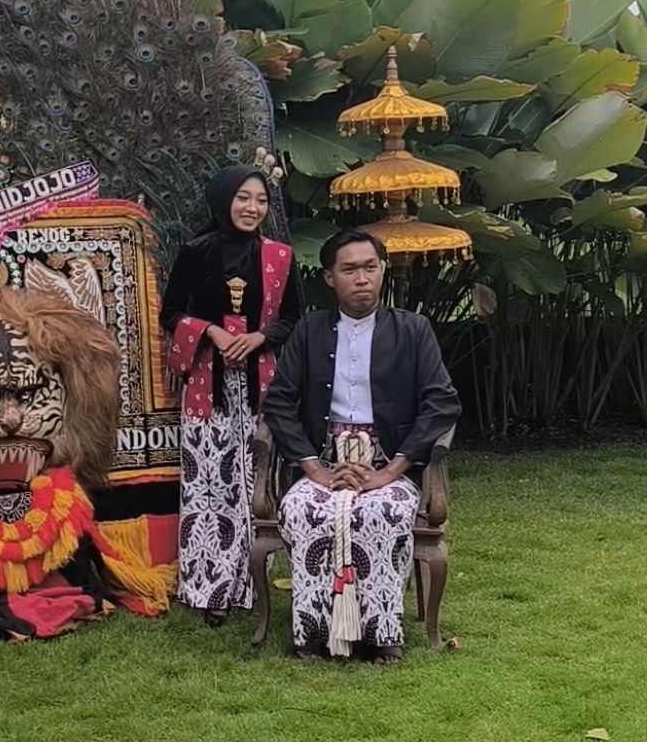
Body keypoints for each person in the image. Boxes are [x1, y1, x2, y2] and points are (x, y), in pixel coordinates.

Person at [261, 227, 460, 664]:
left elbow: (442, 402)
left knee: (382, 511)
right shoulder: (311, 330)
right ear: (330, 277)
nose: (362, 278)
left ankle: (381, 633)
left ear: (382, 271)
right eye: (349, 269)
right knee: (306, 509)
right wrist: (316, 469)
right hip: (324, 461)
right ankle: (312, 633)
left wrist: (391, 471)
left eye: (370, 267)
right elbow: (278, 401)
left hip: (389, 462)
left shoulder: (413, 330)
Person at [160, 164, 303, 626]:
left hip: (261, 384)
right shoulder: (194, 252)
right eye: (243, 198)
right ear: (224, 200)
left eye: (260, 200)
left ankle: (254, 582)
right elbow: (171, 314)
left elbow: (293, 317)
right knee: (209, 486)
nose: (252, 208)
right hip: (209, 387)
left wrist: (260, 338)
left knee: (256, 482)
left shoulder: (280, 256)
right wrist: (213, 333)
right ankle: (209, 589)